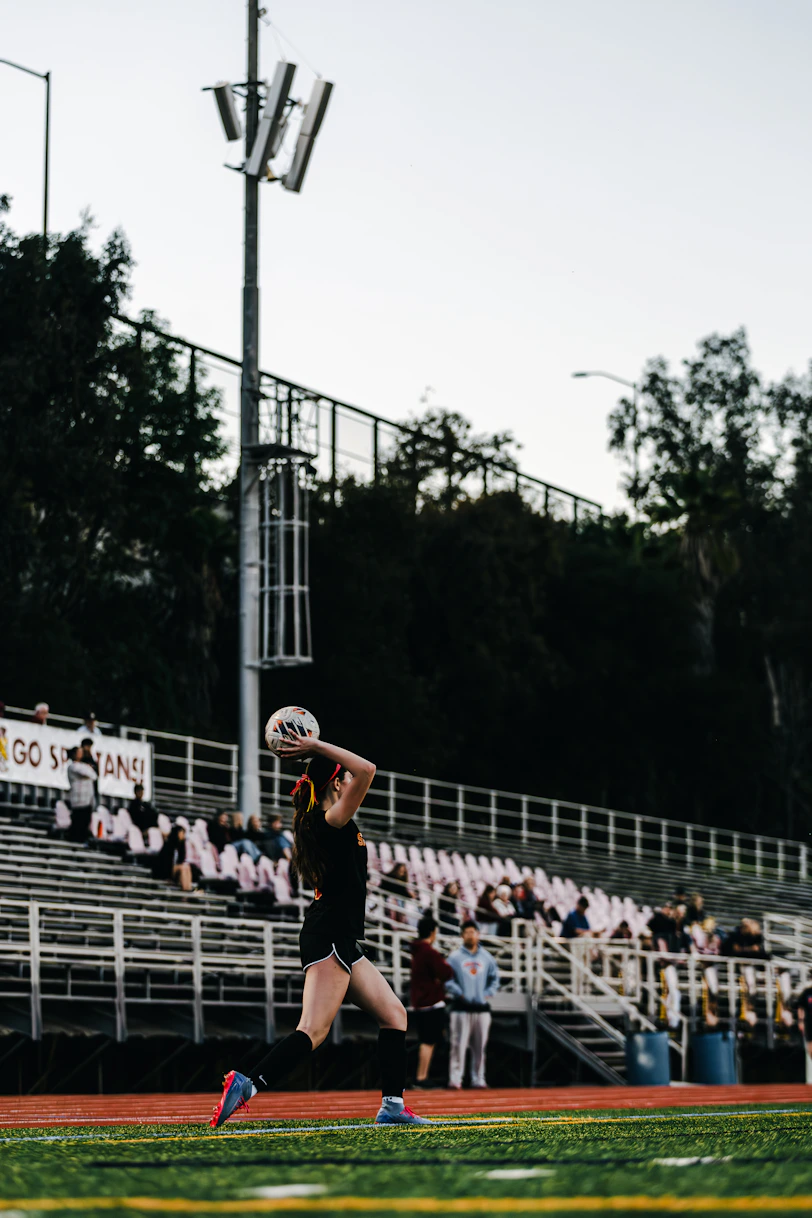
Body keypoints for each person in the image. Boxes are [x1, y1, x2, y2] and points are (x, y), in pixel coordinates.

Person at [209, 733, 430, 1130]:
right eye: (342, 775)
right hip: (328, 936)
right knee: (312, 1030)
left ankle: (393, 1106)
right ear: (336, 782)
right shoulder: (329, 820)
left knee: (394, 1014)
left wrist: (318, 756)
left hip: (341, 938)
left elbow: (358, 772)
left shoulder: (329, 819)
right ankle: (247, 1084)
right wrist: (317, 747)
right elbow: (368, 769)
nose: (350, 777)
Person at [446, 920, 500, 1089]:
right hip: (461, 1008)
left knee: (480, 1047)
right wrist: (459, 993)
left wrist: (487, 994)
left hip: (481, 1008)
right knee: (458, 1046)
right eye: (467, 932)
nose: (470, 935)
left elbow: (495, 979)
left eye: (473, 932)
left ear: (478, 934)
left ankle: (478, 1078)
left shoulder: (487, 958)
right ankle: (456, 1079)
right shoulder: (454, 958)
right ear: (462, 935)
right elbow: (447, 979)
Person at [409, 915, 453, 1088]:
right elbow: (446, 972)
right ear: (433, 932)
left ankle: (422, 1076)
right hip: (430, 1002)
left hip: (421, 1001)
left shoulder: (418, 951)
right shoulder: (428, 952)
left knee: (428, 1040)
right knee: (428, 1041)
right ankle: (421, 1077)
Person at [65, 745, 96, 842]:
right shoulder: (72, 766)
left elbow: (94, 775)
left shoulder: (83, 765)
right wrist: (88, 768)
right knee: (78, 822)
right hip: (78, 799)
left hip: (87, 799)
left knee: (85, 822)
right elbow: (88, 773)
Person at [153, 825, 194, 891]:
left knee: (186, 867)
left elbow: (181, 860)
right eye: (182, 833)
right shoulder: (168, 845)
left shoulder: (181, 847)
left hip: (175, 870)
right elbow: (164, 862)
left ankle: (187, 889)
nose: (183, 835)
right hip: (166, 871)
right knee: (183, 867)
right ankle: (186, 892)